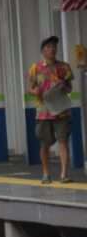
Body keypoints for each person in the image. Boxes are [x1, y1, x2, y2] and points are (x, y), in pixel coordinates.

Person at [27, 35, 74, 184]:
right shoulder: (35, 68)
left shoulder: (64, 67)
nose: (52, 49)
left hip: (61, 110)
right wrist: (37, 92)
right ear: (43, 51)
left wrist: (63, 85)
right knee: (44, 143)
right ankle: (46, 173)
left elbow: (69, 88)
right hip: (43, 111)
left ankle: (64, 174)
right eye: (48, 47)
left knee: (63, 141)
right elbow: (30, 88)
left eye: (54, 46)